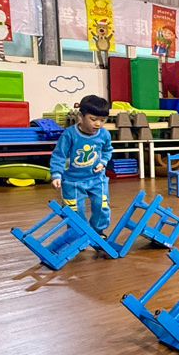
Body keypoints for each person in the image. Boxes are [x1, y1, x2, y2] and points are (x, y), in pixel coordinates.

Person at [50, 95, 113, 250]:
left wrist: (103, 162)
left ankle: (97, 232)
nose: (98, 124)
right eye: (93, 119)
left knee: (101, 206)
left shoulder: (104, 134)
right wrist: (56, 174)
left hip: (97, 179)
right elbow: (59, 155)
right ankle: (79, 236)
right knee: (74, 211)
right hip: (72, 181)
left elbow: (107, 150)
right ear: (80, 115)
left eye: (103, 120)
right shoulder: (69, 134)